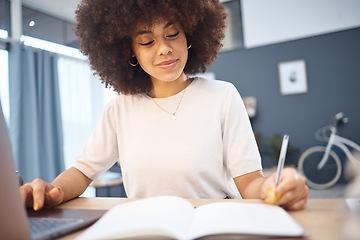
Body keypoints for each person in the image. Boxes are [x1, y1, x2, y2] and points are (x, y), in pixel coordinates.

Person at [20, 0, 308, 211]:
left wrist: (273, 188)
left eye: (172, 34)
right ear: (129, 51)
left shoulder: (222, 95)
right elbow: (82, 173)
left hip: (212, 226)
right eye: (146, 41)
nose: (163, 48)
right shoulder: (120, 109)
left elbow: (250, 184)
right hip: (147, 228)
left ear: (190, 36)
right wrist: (51, 191)